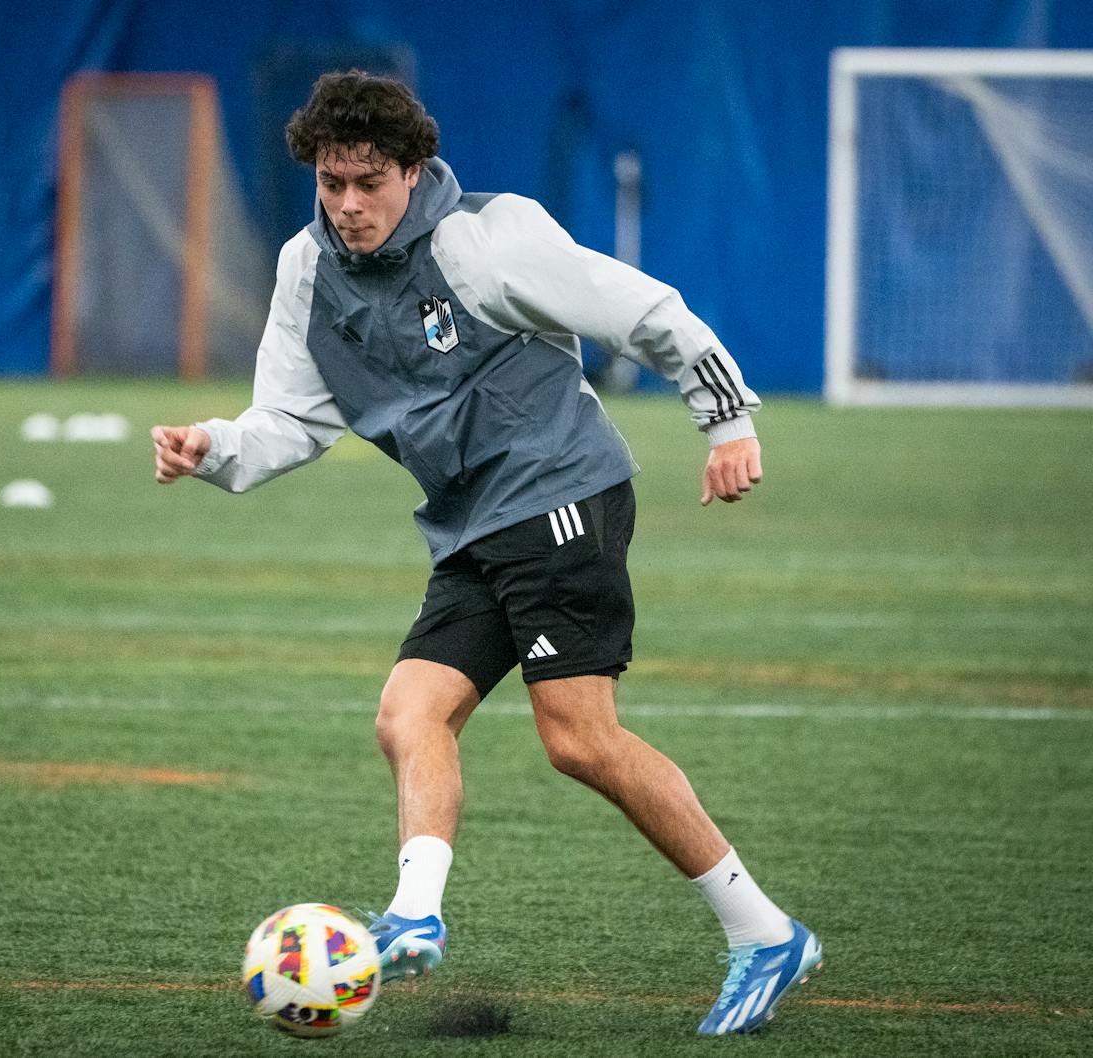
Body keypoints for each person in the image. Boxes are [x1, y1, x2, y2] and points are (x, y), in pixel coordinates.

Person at [151, 71, 820, 1035]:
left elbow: (641, 306)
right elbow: (289, 421)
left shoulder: (487, 235)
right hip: (471, 523)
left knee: (578, 740)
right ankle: (415, 918)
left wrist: (727, 421)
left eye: (367, 182)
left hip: (562, 496)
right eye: (330, 183)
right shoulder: (308, 268)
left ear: (413, 172)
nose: (346, 204)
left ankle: (764, 934)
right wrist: (213, 446)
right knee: (408, 713)